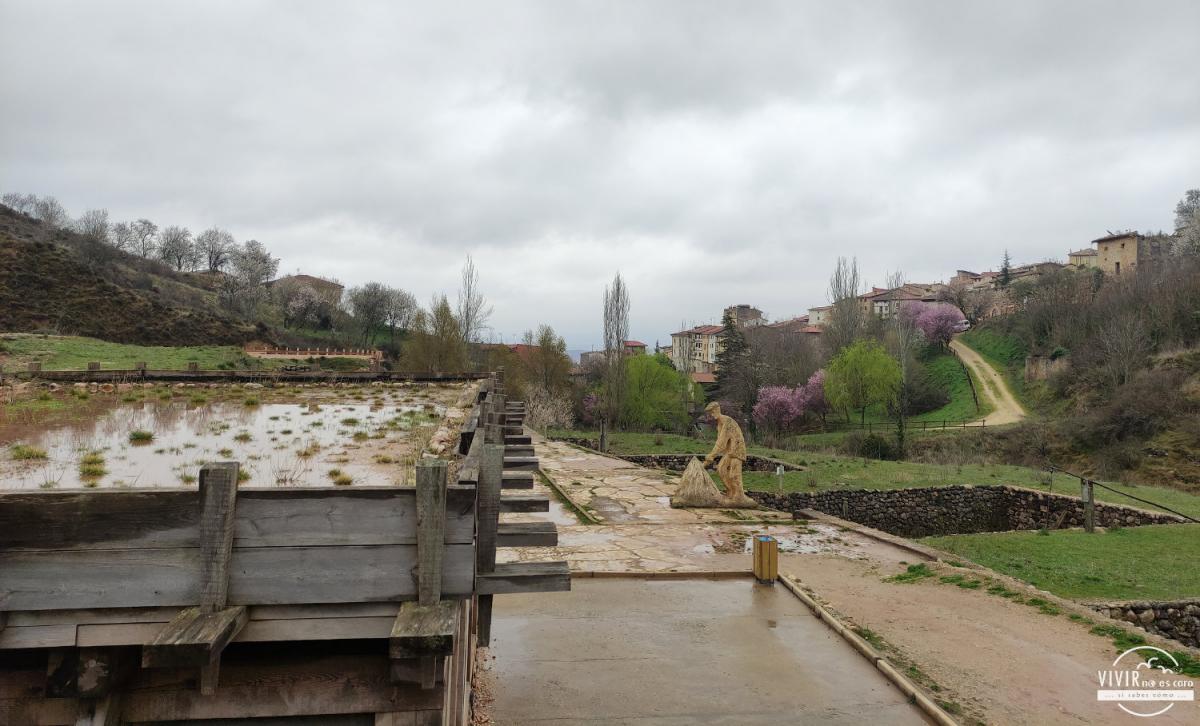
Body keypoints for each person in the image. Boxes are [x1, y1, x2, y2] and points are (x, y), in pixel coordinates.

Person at [702, 401, 749, 503]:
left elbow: (721, 443)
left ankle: (739, 496)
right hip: (729, 452)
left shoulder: (727, 422)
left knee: (734, 474)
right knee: (721, 469)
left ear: (716, 410)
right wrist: (712, 455)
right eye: (709, 413)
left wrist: (711, 455)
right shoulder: (720, 425)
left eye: (711, 412)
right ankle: (731, 492)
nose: (710, 415)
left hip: (737, 451)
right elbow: (721, 444)